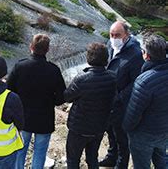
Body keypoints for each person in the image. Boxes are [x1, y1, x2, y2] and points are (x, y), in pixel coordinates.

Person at [7, 34, 66, 169]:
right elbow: (61, 97)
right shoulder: (54, 70)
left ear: (31, 47)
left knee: (20, 150)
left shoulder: (20, 66)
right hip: (44, 120)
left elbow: (9, 90)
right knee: (40, 153)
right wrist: (52, 101)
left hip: (23, 118)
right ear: (47, 50)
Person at [64, 43, 117, 169]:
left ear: (89, 58)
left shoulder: (81, 78)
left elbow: (67, 97)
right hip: (99, 127)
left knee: (73, 160)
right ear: (106, 59)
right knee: (92, 157)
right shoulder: (113, 78)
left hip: (79, 128)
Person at [99, 21, 144, 168]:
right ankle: (111, 157)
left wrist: (120, 96)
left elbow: (136, 81)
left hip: (123, 103)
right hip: (108, 100)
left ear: (127, 35)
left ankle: (121, 164)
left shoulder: (135, 54)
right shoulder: (111, 45)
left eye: (117, 35)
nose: (113, 38)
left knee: (121, 137)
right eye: (112, 35)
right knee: (110, 131)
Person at [123, 34, 168, 169]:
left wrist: (126, 129)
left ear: (146, 56)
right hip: (164, 130)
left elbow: (133, 114)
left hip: (144, 134)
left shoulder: (144, 81)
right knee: (161, 160)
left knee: (142, 165)